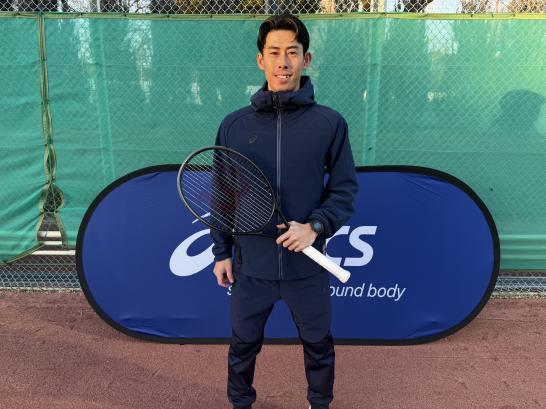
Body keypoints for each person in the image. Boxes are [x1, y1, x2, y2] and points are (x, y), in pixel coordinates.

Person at [211, 13, 358, 409]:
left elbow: (343, 190)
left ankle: (319, 403)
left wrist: (315, 226)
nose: (283, 62)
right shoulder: (234, 126)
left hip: (306, 268)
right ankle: (240, 402)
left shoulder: (330, 123)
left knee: (319, 346)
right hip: (251, 266)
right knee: (242, 346)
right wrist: (222, 251)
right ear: (261, 59)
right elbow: (223, 194)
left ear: (306, 59)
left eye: (292, 52)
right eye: (274, 52)